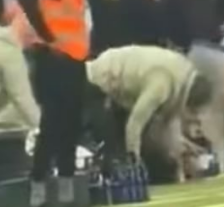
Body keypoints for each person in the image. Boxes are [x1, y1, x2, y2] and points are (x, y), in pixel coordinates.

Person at [14, 0, 93, 207]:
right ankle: (40, 195)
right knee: (55, 126)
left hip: (70, 56)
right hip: (57, 57)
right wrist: (50, 38)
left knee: (68, 125)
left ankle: (65, 194)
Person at [86, 44, 213, 182]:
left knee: (152, 145)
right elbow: (134, 125)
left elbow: (168, 125)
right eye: (193, 112)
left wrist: (184, 144)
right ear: (188, 103)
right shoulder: (161, 85)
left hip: (121, 88)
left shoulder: (181, 76)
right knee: (117, 149)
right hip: (100, 81)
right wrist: (134, 162)